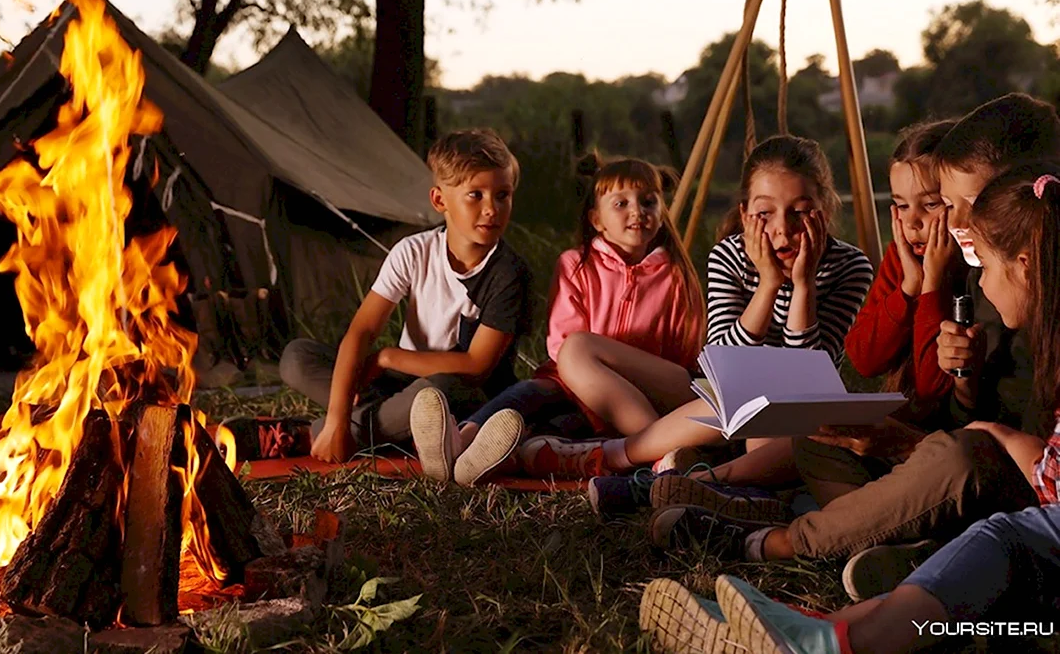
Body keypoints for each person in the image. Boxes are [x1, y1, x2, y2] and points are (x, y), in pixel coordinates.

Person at [648, 93, 1058, 604]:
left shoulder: (1005, 280)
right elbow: (874, 363)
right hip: (959, 455)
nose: (944, 223)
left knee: (956, 456)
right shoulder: (987, 277)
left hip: (1008, 482)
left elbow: (1019, 457)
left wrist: (910, 439)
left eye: (952, 205)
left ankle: (775, 539)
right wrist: (963, 387)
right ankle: (908, 546)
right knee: (820, 434)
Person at [518, 136, 873, 494]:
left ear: (824, 210)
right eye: (765, 213)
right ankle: (658, 458)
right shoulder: (729, 256)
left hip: (791, 410)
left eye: (800, 211)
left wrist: (804, 286)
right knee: (577, 348)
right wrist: (767, 286)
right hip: (717, 396)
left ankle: (680, 478)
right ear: (746, 213)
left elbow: (809, 371)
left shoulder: (851, 266)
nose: (783, 227)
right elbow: (721, 362)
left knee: (782, 434)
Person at [420, 153, 705, 485]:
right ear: (597, 220)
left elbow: (684, 350)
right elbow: (561, 344)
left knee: (565, 406)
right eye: (621, 204)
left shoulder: (674, 275)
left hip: (643, 391)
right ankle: (462, 441)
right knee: (529, 394)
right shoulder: (576, 264)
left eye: (648, 202)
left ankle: (651, 448)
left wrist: (636, 381)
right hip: (574, 380)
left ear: (661, 212)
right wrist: (596, 385)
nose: (637, 211)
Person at [274, 129, 532, 466]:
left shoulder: (509, 273)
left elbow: (476, 366)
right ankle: (379, 429)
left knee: (433, 393)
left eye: (502, 195)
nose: (491, 209)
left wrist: (387, 358)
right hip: (396, 386)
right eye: (475, 195)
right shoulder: (414, 251)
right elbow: (362, 331)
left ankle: (307, 434)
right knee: (297, 357)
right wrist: (338, 415)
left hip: (461, 392)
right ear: (440, 201)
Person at [844, 120, 961, 416]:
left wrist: (931, 284)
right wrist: (909, 286)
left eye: (931, 204)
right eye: (903, 206)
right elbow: (863, 359)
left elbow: (931, 389)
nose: (912, 222)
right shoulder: (902, 258)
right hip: (904, 415)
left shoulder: (976, 266)